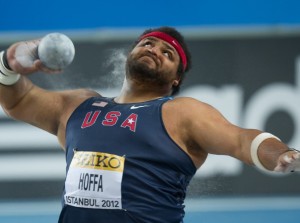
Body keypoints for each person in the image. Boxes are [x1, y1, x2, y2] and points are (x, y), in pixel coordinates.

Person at [0, 26, 299, 223]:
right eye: (147, 43)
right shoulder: (80, 106)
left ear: (175, 80)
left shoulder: (181, 113)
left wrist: (281, 154)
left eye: (167, 53)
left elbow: (242, 141)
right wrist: (8, 64)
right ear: (130, 54)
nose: (154, 49)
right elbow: (17, 101)